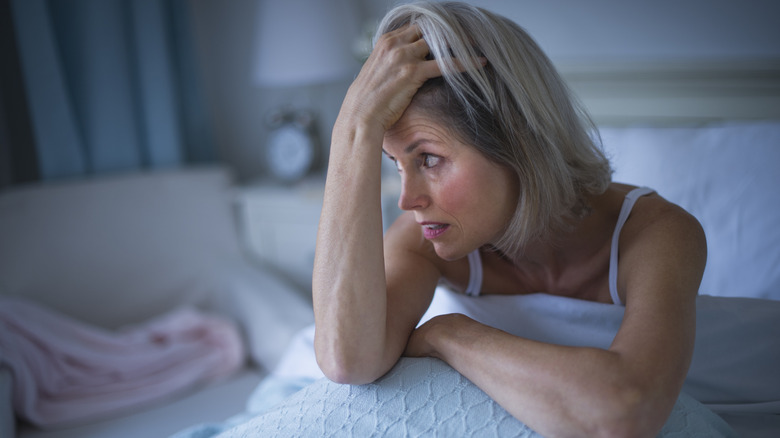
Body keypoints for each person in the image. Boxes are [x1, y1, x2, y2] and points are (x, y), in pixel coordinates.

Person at [312, 2, 707, 437]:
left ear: (519, 141)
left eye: (429, 158)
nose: (408, 199)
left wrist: (450, 334)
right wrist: (352, 126)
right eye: (394, 163)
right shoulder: (423, 240)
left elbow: (624, 412)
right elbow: (347, 359)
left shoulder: (656, 233)